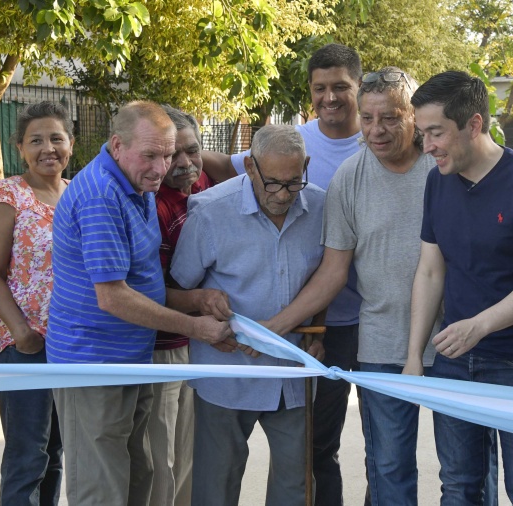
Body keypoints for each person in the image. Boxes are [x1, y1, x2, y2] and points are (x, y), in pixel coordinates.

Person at [45, 100, 236, 506]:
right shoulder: (101, 195)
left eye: (168, 154)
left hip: (131, 357)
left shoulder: (138, 183)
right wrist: (195, 325)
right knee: (102, 490)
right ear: (117, 145)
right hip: (93, 365)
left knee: (138, 478)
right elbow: (113, 296)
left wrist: (196, 299)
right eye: (151, 155)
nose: (162, 167)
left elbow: (142, 284)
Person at [266, 67, 439, 506]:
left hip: (455, 341)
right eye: (367, 118)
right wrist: (277, 328)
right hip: (380, 345)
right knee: (388, 466)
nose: (376, 130)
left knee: (465, 471)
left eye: (390, 118)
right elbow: (332, 271)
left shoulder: (444, 165)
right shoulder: (349, 176)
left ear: (414, 116)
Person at [204, 43, 366, 505]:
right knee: (315, 448)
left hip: (362, 318)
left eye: (341, 87)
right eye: (320, 88)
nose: (330, 97)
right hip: (312, 324)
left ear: (357, 85)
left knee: (367, 445)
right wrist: (180, 160)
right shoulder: (290, 145)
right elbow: (230, 169)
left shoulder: (377, 139)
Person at [406, 70, 513, 505]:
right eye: (422, 134)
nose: (427, 147)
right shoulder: (437, 181)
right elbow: (430, 272)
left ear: (474, 124)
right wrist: (413, 357)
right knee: (459, 487)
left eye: (436, 133)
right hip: (455, 361)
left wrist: (479, 326)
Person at [170, 124, 326, 506]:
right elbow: (173, 292)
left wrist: (318, 335)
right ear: (250, 168)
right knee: (215, 487)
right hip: (226, 374)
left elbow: (324, 279)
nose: (283, 195)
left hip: (294, 373)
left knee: (296, 488)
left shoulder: (322, 206)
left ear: (305, 166)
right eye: (272, 183)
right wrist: (202, 301)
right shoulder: (209, 211)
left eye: (293, 182)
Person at [0, 101, 71, 505]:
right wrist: (22, 333)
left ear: (70, 142)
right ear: (19, 148)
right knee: (26, 456)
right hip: (26, 347)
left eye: (56, 138)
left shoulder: (78, 193)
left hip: (72, 345)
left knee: (55, 455)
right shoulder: (7, 194)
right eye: (36, 140)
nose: (48, 148)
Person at [147, 105, 214, 506]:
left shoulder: (204, 182)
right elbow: (148, 291)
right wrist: (200, 302)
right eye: (174, 155)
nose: (186, 163)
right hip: (161, 349)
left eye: (193, 150)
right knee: (161, 459)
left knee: (192, 455)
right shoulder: (151, 204)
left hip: (200, 345)